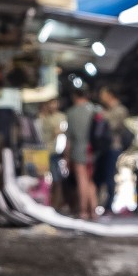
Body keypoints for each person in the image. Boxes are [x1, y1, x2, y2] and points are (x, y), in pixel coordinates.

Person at [63, 86, 98, 220]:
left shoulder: (71, 113)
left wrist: (66, 157)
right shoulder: (95, 110)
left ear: (74, 97)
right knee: (90, 180)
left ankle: (83, 211)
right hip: (93, 150)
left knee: (81, 179)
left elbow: (69, 138)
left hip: (78, 149)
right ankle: (93, 211)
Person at [94, 87, 130, 213]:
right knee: (98, 176)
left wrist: (102, 116)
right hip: (101, 147)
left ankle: (108, 206)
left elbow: (114, 126)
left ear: (110, 95)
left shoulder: (120, 110)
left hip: (113, 146)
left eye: (103, 94)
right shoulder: (104, 110)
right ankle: (96, 203)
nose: (100, 97)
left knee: (109, 175)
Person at [38, 98, 67, 211]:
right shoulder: (43, 117)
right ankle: (46, 202)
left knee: (57, 179)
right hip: (44, 151)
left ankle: (56, 203)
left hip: (57, 151)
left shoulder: (61, 117)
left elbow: (62, 131)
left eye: (54, 103)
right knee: (44, 178)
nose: (52, 106)